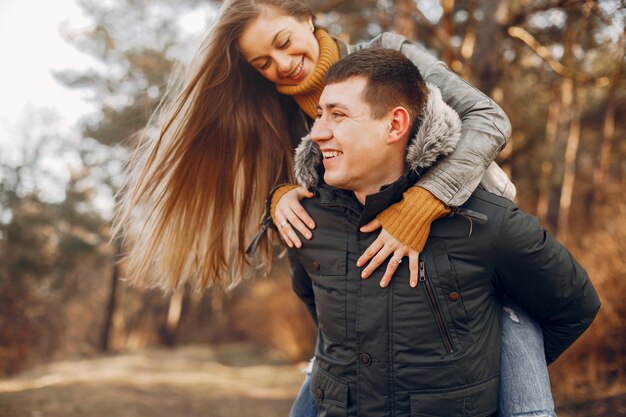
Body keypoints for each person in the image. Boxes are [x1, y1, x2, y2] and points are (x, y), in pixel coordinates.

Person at [281, 47, 600, 417]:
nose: (317, 132)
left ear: (395, 125)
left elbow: (574, 305)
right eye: (320, 114)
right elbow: (318, 310)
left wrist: (487, 374)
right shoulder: (307, 220)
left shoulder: (483, 222)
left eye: (338, 115)